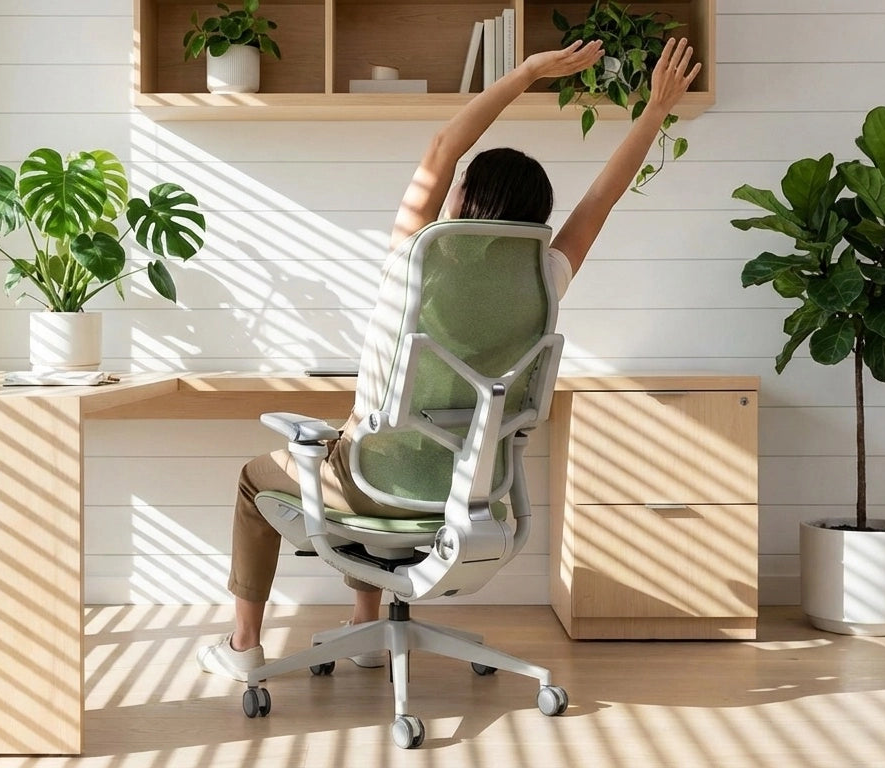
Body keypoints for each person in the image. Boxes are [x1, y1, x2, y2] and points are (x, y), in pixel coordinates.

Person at [198, 37, 702, 681]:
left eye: (457, 187)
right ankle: (364, 627)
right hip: (474, 494)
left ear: (463, 201)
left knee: (261, 475)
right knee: (372, 444)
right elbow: (602, 198)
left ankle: (243, 645)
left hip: (374, 485)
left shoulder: (412, 261)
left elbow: (442, 148)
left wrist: (526, 72)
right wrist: (655, 110)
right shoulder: (545, 277)